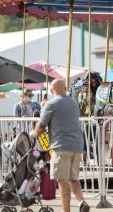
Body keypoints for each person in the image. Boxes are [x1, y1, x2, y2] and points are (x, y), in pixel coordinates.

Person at [29, 79, 90, 212]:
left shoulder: (51, 104)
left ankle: (66, 210)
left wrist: (32, 134)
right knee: (74, 179)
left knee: (63, 182)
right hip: (77, 145)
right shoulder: (73, 103)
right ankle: (81, 202)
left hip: (61, 146)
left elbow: (40, 126)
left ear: (51, 91)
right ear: (66, 88)